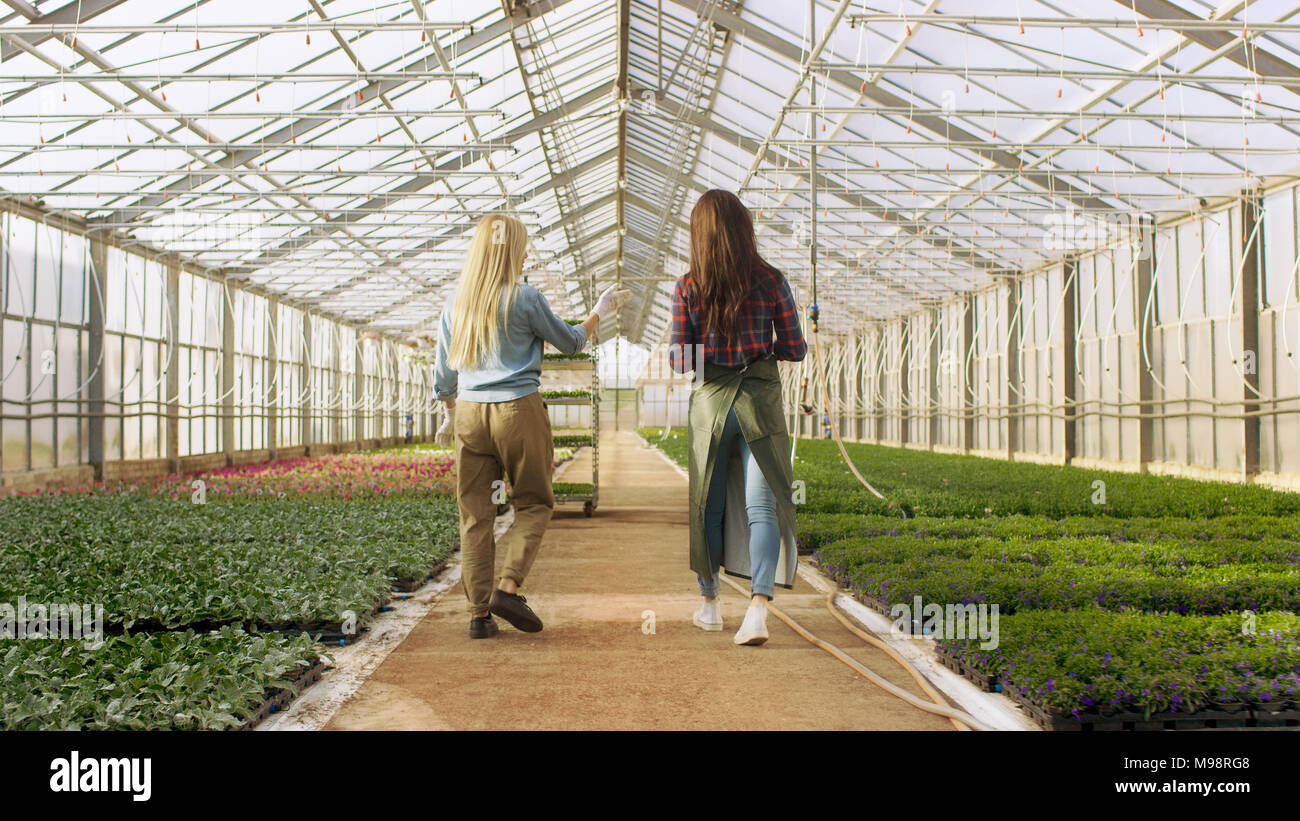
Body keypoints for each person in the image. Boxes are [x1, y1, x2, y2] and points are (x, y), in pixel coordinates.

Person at [434, 214, 630, 639]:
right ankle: (507, 587)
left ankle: (478, 616)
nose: (527, 253)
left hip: (468, 412)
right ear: (510, 251)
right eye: (523, 246)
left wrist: (451, 415)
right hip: (517, 411)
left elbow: (444, 377)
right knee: (535, 503)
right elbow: (572, 341)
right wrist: (599, 312)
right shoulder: (525, 298)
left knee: (475, 516)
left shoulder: (456, 303)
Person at [669, 189, 808, 646]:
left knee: (706, 503)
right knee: (762, 505)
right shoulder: (771, 281)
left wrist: (707, 348)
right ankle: (757, 609)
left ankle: (709, 605)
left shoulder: (688, 286)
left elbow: (680, 360)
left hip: (711, 405)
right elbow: (794, 349)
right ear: (744, 228)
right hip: (759, 404)